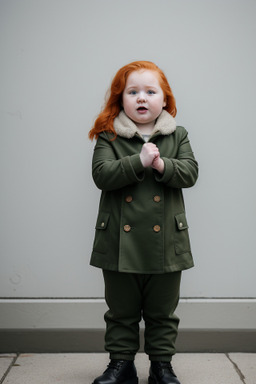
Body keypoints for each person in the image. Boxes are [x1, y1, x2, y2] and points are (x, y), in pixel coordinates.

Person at [88, 61, 198, 384]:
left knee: (162, 311)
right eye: (132, 91)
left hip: (166, 242)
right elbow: (101, 175)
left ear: (165, 99)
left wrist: (162, 165)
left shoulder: (177, 135)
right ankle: (121, 365)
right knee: (120, 310)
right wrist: (138, 161)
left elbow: (191, 172)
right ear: (120, 99)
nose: (141, 98)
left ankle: (161, 366)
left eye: (151, 91)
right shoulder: (109, 136)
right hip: (120, 243)